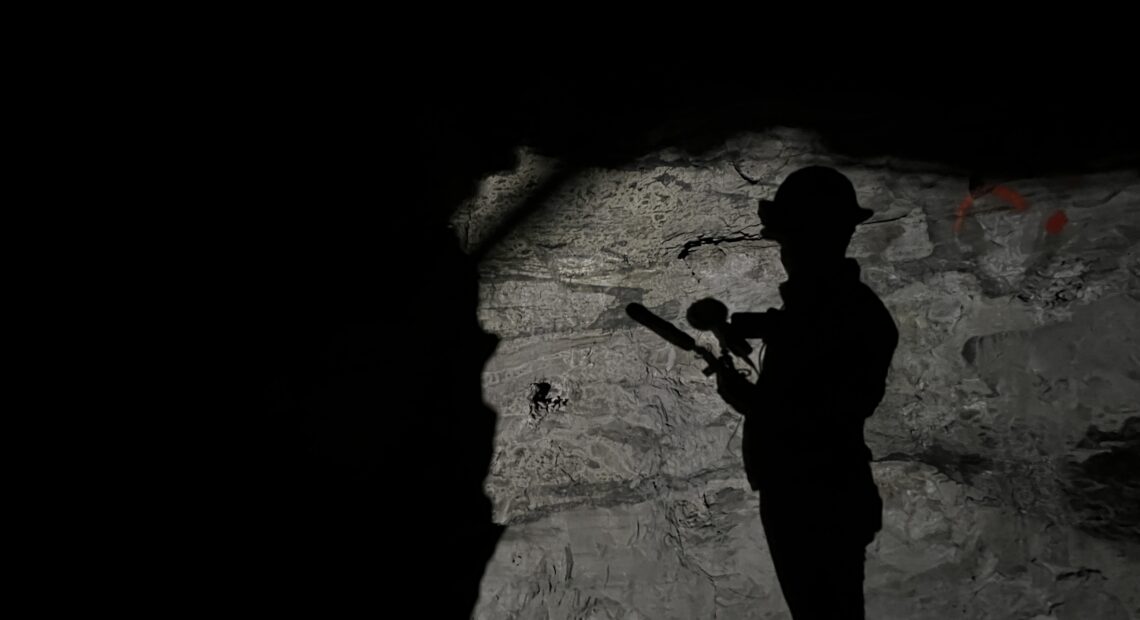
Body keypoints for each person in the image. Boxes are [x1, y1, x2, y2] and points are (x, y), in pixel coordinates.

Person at [705, 166, 898, 619]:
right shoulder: (832, 309)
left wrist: (748, 401)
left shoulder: (844, 315)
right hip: (812, 494)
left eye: (790, 239)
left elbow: (824, 419)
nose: (784, 253)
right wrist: (762, 327)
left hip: (816, 499)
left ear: (822, 238)